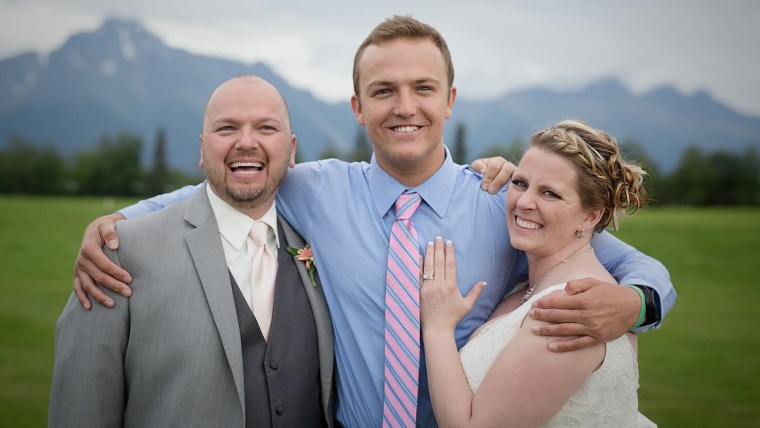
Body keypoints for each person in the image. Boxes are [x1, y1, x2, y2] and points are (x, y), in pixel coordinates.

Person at [70, 16, 676, 427]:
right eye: (384, 91)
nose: (404, 106)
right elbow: (227, 186)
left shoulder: (506, 202)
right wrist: (118, 220)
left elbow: (603, 255)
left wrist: (640, 302)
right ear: (359, 107)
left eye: (423, 88)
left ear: (450, 101)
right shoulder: (316, 191)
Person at [49, 76, 335, 427]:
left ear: (291, 149)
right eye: (226, 128)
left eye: (266, 127)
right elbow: (81, 412)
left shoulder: (321, 246)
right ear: (202, 149)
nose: (246, 142)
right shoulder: (117, 254)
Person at [421, 120, 656, 427]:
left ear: (590, 216)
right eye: (520, 183)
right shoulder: (527, 289)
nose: (524, 202)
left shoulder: (573, 309)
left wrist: (437, 326)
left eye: (549, 193)